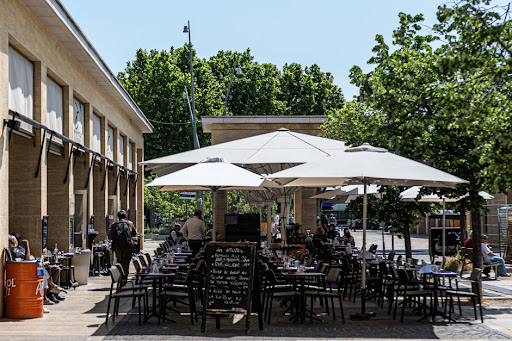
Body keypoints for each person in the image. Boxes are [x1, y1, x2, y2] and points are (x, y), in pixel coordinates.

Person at [109, 210, 136, 278]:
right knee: (126, 262)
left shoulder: (114, 224)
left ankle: (120, 277)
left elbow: (111, 236)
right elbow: (134, 234)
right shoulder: (129, 223)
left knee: (119, 261)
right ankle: (125, 277)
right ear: (126, 216)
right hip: (127, 246)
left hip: (117, 247)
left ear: (118, 216)